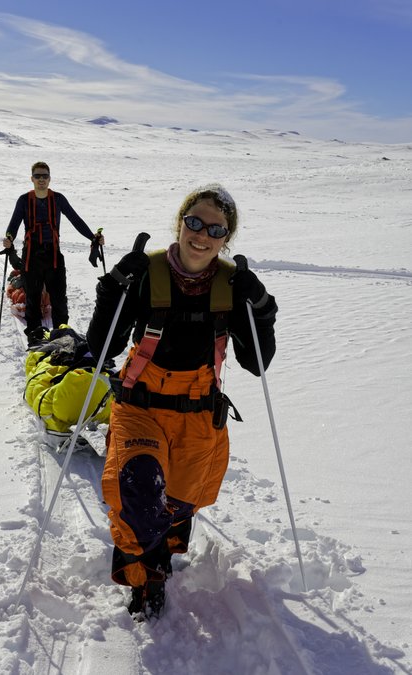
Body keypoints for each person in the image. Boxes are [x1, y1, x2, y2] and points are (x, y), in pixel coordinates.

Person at [86, 184, 277, 618]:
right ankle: (146, 579)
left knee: (176, 503)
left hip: (197, 412)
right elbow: (102, 351)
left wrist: (262, 310)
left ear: (227, 237)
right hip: (140, 404)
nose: (202, 235)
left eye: (216, 228)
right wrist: (112, 291)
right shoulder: (147, 273)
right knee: (138, 491)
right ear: (180, 222)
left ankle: (162, 552)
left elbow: (256, 363)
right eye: (195, 222)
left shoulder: (232, 286)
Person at [2, 161, 104, 344]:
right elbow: (14, 225)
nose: (41, 180)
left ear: (50, 178)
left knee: (59, 300)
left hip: (54, 256)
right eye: (38, 176)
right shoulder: (24, 200)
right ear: (32, 179)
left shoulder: (58, 199)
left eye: (45, 176)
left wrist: (92, 237)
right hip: (31, 256)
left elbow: (76, 220)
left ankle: (61, 335)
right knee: (33, 299)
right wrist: (9, 238)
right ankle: (35, 338)